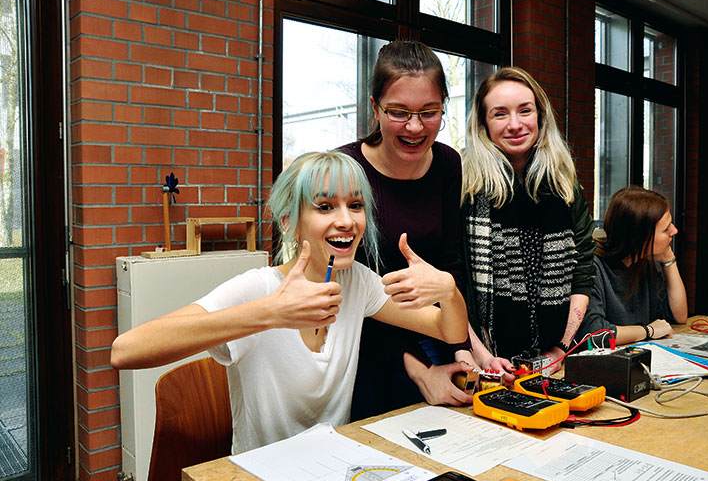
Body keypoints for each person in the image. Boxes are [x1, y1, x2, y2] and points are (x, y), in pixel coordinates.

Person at [110, 151, 468, 453]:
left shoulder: (358, 281)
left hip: (330, 466)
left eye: (355, 205)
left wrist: (449, 291)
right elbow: (125, 350)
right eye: (325, 206)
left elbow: (446, 330)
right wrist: (269, 313)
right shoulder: (258, 288)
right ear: (290, 223)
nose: (346, 220)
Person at [339, 40, 474, 420]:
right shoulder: (346, 170)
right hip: (367, 350)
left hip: (433, 331)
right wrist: (420, 371)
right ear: (374, 109)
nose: (415, 127)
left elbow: (450, 264)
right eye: (399, 112)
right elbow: (346, 298)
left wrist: (461, 347)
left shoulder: (447, 164)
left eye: (429, 112)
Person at [459, 66, 596, 375]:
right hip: (480, 360)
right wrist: (482, 356)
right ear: (483, 124)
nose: (515, 124)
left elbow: (583, 272)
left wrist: (559, 349)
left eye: (525, 111)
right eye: (500, 114)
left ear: (540, 116)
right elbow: (453, 281)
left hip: (551, 358)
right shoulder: (464, 188)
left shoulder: (565, 186)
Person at [577, 186, 688, 345]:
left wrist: (669, 260)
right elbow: (593, 333)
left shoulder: (645, 264)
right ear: (639, 237)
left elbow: (678, 317)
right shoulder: (592, 267)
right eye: (666, 229)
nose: (674, 231)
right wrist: (648, 331)